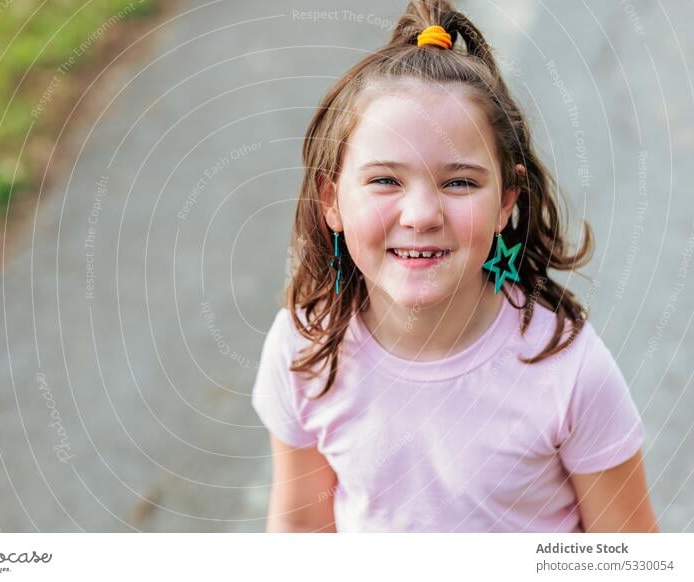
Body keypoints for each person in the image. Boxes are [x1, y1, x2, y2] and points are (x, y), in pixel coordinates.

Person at [251, 0, 658, 533]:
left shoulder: (571, 373)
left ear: (506, 200)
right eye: (384, 180)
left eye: (459, 182)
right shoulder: (305, 347)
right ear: (332, 200)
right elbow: (303, 535)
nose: (421, 215)